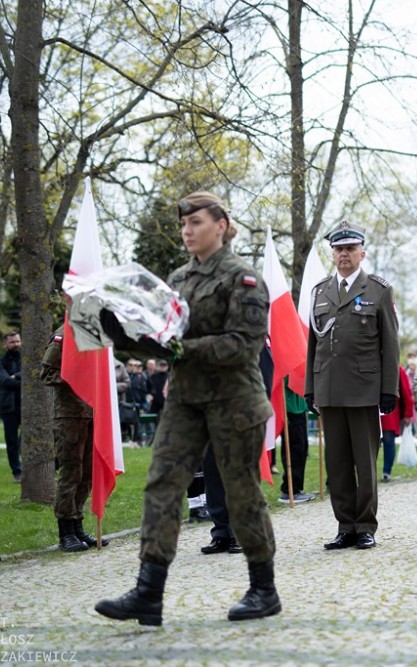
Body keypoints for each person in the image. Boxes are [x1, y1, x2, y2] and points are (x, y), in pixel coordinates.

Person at [95, 191, 280, 625]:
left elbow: (242, 344)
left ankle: (263, 589)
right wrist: (124, 336)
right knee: (162, 484)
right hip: (185, 400)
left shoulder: (244, 279)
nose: (187, 230)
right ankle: (148, 592)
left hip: (235, 400)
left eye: (195, 222)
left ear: (221, 225)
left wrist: (179, 348)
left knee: (240, 493)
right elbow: (165, 336)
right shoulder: (177, 279)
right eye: (183, 224)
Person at [305, 221, 400, 551]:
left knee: (365, 462)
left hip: (364, 389)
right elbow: (313, 344)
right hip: (329, 388)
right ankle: (345, 526)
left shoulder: (378, 290)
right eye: (338, 249)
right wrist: (310, 387)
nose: (344, 254)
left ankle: (365, 526)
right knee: (337, 463)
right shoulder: (319, 291)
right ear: (332, 254)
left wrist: (389, 389)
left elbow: (390, 344)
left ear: (362, 253)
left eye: (350, 248)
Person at [41, 325, 108, 552]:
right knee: (71, 473)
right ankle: (66, 531)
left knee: (87, 473)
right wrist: (76, 377)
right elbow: (47, 373)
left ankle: (78, 525)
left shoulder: (94, 334)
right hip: (69, 415)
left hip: (91, 412)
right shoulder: (63, 335)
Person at [279, 385, 315, 503]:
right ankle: (289, 490)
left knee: (301, 449)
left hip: (299, 407)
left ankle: (295, 489)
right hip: (290, 409)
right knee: (294, 450)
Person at [0, 331, 22, 481]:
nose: (16, 344)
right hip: (9, 407)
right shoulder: (0, 362)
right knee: (11, 441)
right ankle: (17, 472)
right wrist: (22, 380)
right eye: (12, 342)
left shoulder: (27, 358)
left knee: (28, 437)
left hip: (26, 405)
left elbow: (32, 374)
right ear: (5, 344)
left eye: (17, 341)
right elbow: (4, 380)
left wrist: (16, 376)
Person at [380, 365, 414, 482]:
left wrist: (407, 414)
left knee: (388, 441)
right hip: (373, 412)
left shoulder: (397, 369)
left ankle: (386, 471)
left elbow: (406, 392)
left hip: (389, 412)